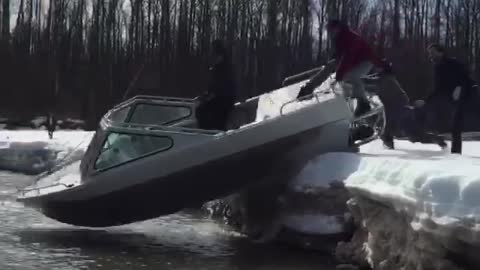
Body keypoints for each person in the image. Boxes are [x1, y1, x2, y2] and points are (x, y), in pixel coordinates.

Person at [415, 44, 475, 154]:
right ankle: (455, 153)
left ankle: (456, 153)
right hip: (453, 98)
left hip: (467, 94)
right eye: (429, 53)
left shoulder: (453, 62)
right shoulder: (437, 67)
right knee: (454, 125)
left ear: (441, 52)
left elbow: (466, 75)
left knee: (457, 124)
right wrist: (425, 100)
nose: (431, 55)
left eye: (433, 52)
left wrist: (460, 87)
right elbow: (438, 88)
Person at [375, 60, 447, 150]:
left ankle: (439, 140)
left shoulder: (385, 80)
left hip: (400, 111)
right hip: (395, 110)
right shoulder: (387, 78)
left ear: (382, 69)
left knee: (414, 135)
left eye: (378, 67)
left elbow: (376, 89)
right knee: (389, 132)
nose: (376, 69)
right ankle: (389, 147)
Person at [325, 19, 383, 117]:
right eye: (329, 31)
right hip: (356, 61)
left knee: (351, 76)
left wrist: (339, 73)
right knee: (341, 76)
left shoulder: (349, 37)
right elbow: (338, 55)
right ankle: (351, 95)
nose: (330, 34)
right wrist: (331, 64)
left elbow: (348, 56)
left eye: (331, 31)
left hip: (366, 60)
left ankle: (364, 103)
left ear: (337, 29)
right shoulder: (338, 39)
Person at [196, 40, 237, 131]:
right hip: (222, 98)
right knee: (201, 109)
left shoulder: (223, 68)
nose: (214, 58)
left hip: (225, 99)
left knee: (202, 110)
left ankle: (211, 133)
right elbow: (213, 86)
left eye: (216, 56)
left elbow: (219, 87)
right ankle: (211, 130)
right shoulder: (219, 68)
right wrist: (205, 95)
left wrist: (208, 96)